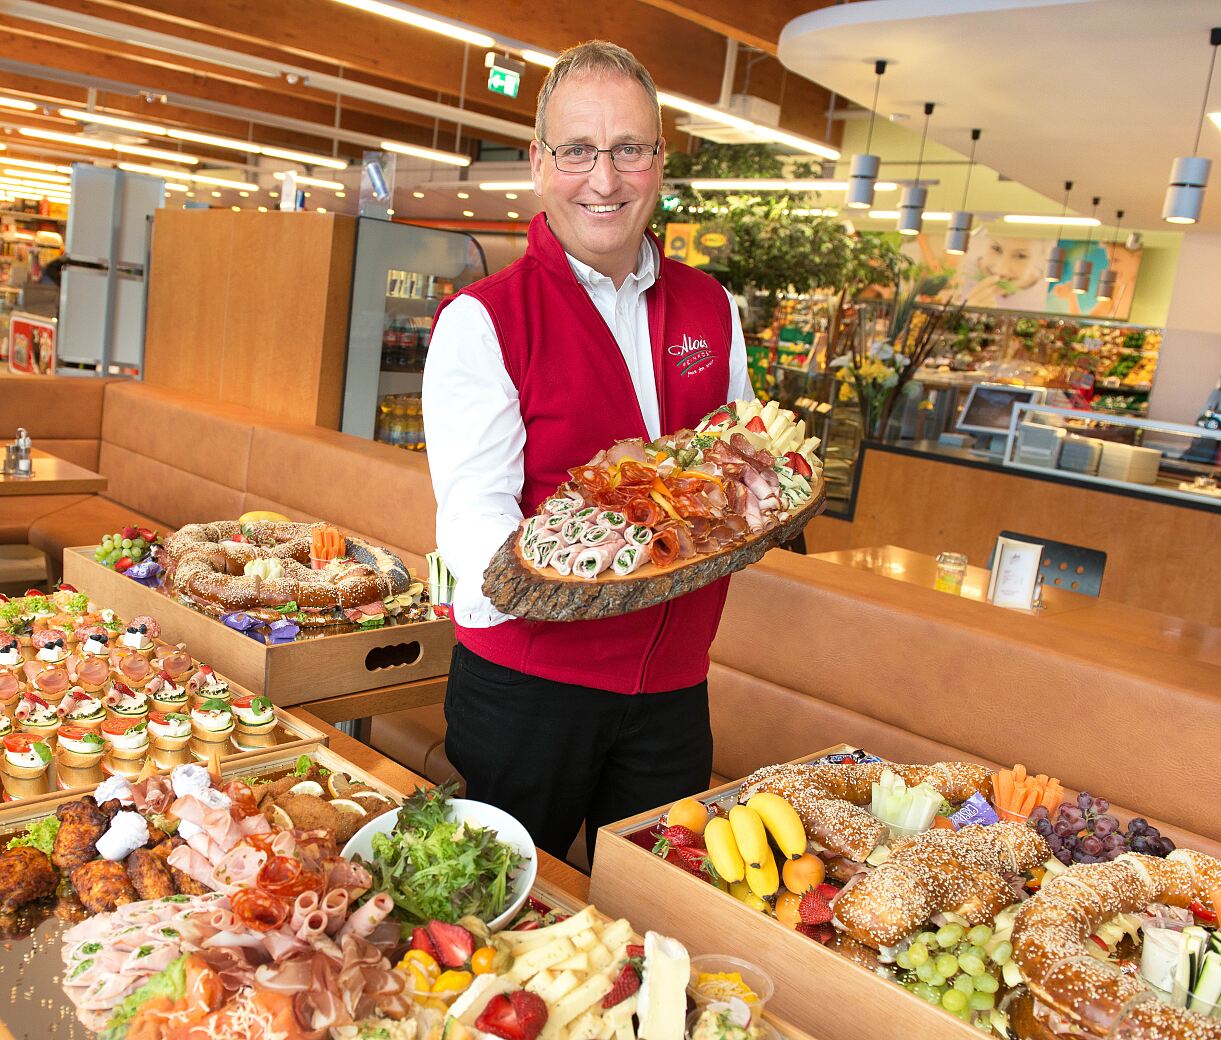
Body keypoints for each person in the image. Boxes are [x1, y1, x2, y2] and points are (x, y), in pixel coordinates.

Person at [422, 41, 751, 865]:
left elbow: (736, 459)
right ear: (539, 163)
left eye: (628, 149)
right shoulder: (484, 318)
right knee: (499, 927)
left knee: (648, 920)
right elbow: (473, 509)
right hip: (530, 693)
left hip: (675, 689)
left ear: (658, 162)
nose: (603, 180)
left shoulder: (710, 305)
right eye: (577, 150)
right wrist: (548, 607)